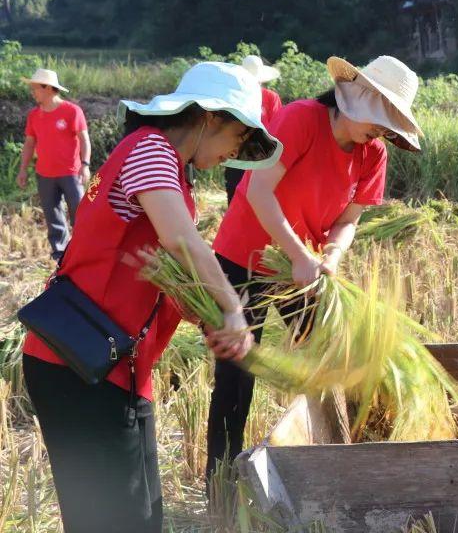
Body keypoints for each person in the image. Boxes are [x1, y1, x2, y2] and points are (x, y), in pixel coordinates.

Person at [21, 61, 282, 533]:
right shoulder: (150, 149)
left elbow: (172, 275)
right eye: (237, 139)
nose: (234, 153)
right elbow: (183, 242)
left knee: (142, 517)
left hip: (116, 369)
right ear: (209, 118)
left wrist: (209, 320)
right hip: (75, 366)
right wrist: (231, 308)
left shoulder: (170, 171)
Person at [206, 55, 422, 483]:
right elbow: (258, 193)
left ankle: (342, 466)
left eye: (386, 125)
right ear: (354, 98)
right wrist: (300, 255)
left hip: (302, 271)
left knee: (335, 358)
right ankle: (221, 485)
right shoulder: (301, 119)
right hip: (244, 260)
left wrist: (330, 258)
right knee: (236, 375)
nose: (378, 131)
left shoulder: (372, 154)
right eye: (377, 119)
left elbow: (348, 221)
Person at [16, 68, 91, 260]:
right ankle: (59, 254)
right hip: (45, 174)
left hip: (71, 173)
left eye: (35, 88)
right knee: (52, 215)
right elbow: (29, 144)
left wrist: (85, 164)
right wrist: (23, 170)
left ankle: (84, 250)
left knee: (80, 212)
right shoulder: (34, 115)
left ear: (48, 88)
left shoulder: (72, 111)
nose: (32, 92)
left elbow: (84, 140)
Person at [224, 54, 283, 203]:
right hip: (235, 156)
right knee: (234, 196)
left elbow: (277, 128)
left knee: (259, 198)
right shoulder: (232, 97)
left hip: (262, 158)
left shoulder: (270, 98)